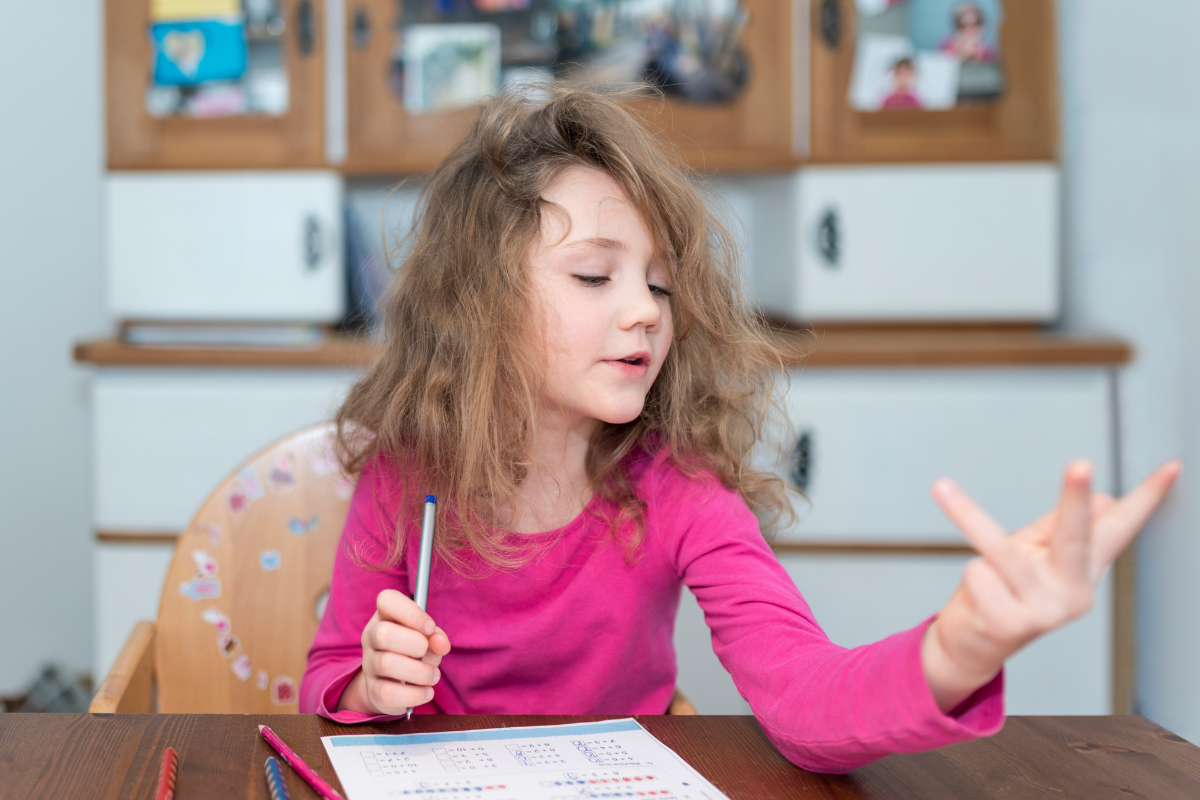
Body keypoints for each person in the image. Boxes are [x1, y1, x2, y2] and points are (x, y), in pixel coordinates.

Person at [299, 85, 1181, 774]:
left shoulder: (679, 490)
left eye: (660, 283)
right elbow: (325, 683)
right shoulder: (405, 476)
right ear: (478, 305)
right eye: (596, 275)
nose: (645, 311)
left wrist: (960, 647)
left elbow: (805, 702)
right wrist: (372, 686)